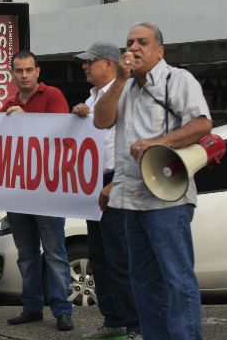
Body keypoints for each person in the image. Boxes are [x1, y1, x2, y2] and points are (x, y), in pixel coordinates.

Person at [93, 22, 211, 340]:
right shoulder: (124, 86)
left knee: (176, 278)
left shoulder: (178, 80)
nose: (134, 48)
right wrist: (119, 79)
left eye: (142, 42)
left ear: (159, 50)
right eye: (129, 42)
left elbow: (202, 123)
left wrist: (160, 143)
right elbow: (101, 120)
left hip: (166, 197)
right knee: (142, 280)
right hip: (130, 197)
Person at [1, 51, 74, 331]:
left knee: (55, 252)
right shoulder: (8, 104)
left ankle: (62, 310)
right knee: (27, 253)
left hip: (49, 189)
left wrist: (25, 118)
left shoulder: (53, 95)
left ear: (38, 71)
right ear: (13, 74)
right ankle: (32, 307)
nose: (24, 75)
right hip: (19, 191)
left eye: (29, 70)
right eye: (19, 71)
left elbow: (62, 133)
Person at [72, 43, 140, 339]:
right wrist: (79, 113)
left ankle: (136, 325)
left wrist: (119, 181)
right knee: (99, 256)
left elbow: (135, 141)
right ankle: (113, 320)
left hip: (118, 182)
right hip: (94, 183)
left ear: (110, 64)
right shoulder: (92, 97)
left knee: (121, 256)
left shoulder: (127, 93)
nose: (85, 66)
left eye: (91, 61)